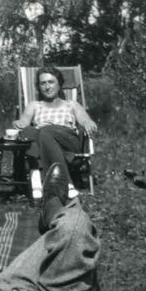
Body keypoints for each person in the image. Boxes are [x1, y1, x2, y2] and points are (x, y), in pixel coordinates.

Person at [12, 67, 98, 200]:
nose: (47, 87)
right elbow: (24, 122)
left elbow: (84, 119)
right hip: (45, 141)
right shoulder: (34, 105)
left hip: (67, 139)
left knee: (43, 132)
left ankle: (46, 178)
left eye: (51, 82)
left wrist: (87, 122)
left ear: (59, 84)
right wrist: (18, 123)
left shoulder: (71, 104)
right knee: (29, 132)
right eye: (43, 83)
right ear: (39, 87)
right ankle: (57, 184)